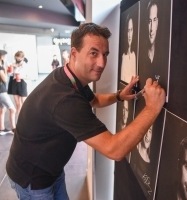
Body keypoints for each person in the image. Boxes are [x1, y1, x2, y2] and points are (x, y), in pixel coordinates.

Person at [6, 23, 165, 200]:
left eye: (105, 55)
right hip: (32, 179)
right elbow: (114, 150)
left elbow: (94, 99)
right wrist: (152, 108)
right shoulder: (65, 99)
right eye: (94, 53)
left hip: (51, 169)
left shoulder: (68, 77)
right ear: (74, 53)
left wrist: (119, 95)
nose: (102, 62)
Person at [0, 50, 16, 135]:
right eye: (5, 56)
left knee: (2, 109)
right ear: (2, 57)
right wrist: (6, 70)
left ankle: (1, 128)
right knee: (12, 109)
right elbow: (5, 79)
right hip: (1, 91)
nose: (6, 58)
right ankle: (13, 128)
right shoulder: (0, 68)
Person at [121, 14, 136, 83]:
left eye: (131, 30)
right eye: (128, 30)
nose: (129, 35)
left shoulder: (134, 55)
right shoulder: (124, 56)